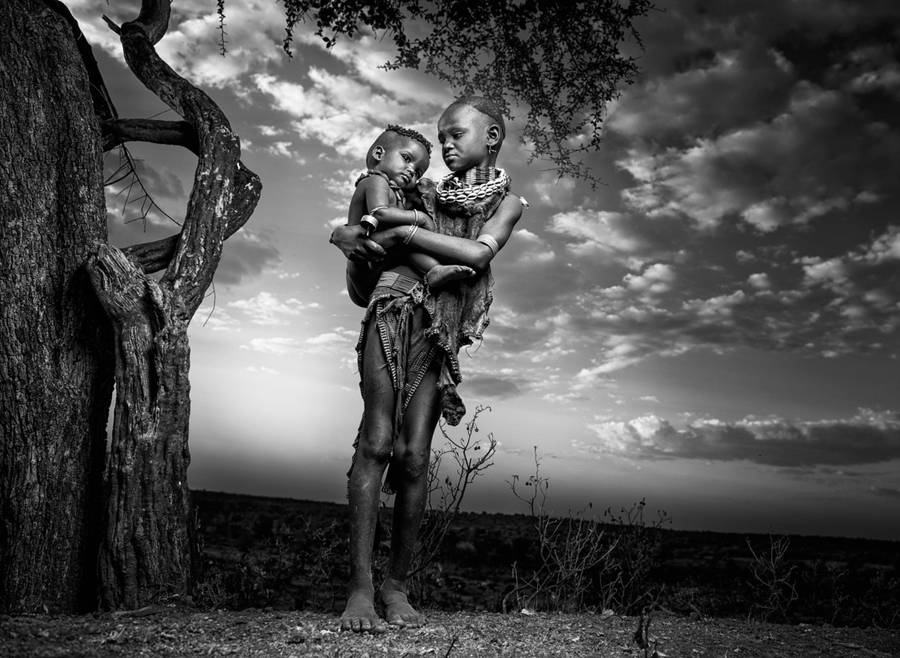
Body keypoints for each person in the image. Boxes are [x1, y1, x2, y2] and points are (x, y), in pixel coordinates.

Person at [330, 96, 525, 633]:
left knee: (415, 456)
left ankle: (397, 587)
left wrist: (402, 234)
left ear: (491, 137)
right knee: (375, 442)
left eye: (455, 134)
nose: (444, 146)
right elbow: (357, 231)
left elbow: (479, 255)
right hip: (394, 308)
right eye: (440, 138)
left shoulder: (508, 203)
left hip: (440, 333)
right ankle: (361, 590)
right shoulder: (423, 192)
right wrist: (364, 233)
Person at [347, 124, 478, 292]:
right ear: (379, 154)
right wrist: (419, 218)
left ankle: (433, 270)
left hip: (381, 260)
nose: (411, 171)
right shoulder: (375, 181)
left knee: (408, 244)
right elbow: (379, 213)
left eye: (417, 172)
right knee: (407, 239)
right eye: (406, 159)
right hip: (364, 263)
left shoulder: (397, 191)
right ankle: (433, 270)